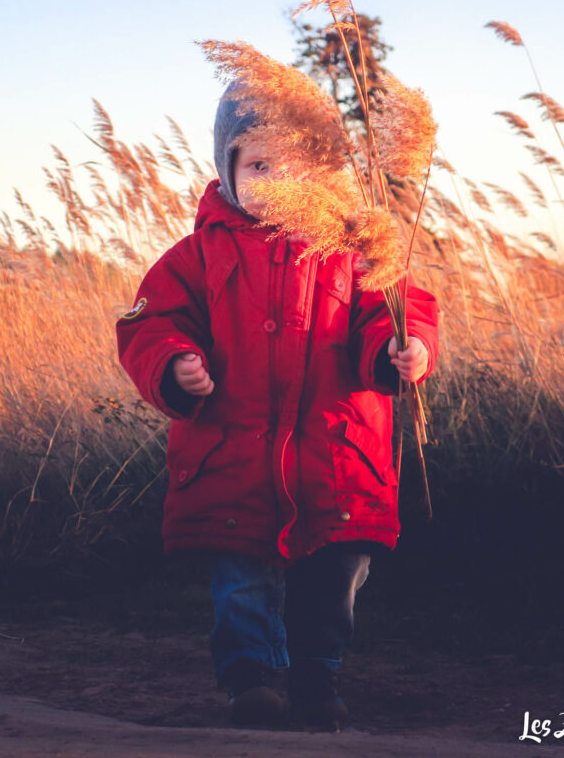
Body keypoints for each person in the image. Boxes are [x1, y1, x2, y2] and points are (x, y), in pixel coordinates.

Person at [116, 82, 439, 727]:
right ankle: (251, 680)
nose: (279, 181)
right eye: (259, 166)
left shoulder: (356, 251)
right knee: (242, 579)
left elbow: (396, 310)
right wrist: (176, 364)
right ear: (227, 172)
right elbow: (148, 324)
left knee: (335, 576)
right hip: (232, 454)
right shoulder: (196, 255)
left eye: (296, 166)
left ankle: (318, 678)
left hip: (336, 456)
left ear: (328, 172)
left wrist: (402, 351)